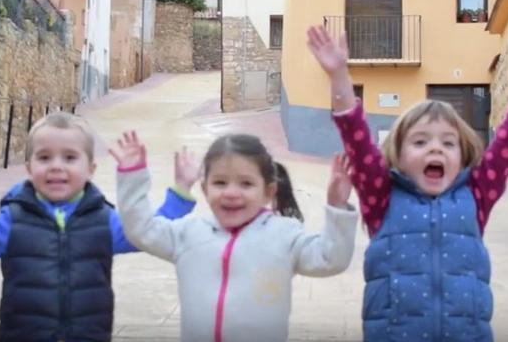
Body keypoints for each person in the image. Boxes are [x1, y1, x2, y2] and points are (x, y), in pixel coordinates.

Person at [306, 24, 508, 341]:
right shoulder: (381, 196)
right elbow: (355, 136)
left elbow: (507, 142)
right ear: (398, 153)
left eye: (448, 143)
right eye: (421, 142)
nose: (435, 148)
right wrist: (338, 75)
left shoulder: (477, 194)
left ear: (463, 154)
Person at [0, 111, 198, 342]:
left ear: (91, 169)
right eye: (44, 157)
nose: (56, 165)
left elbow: (149, 232)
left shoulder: (104, 220)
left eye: (70, 157)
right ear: (29, 168)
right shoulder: (13, 218)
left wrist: (181, 192)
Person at [113, 131, 358, 342]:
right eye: (220, 182)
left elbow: (330, 258)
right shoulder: (188, 233)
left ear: (268, 191)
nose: (231, 193)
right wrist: (132, 177)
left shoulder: (284, 235)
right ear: (205, 188)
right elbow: (141, 230)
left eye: (246, 183)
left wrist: (337, 207)